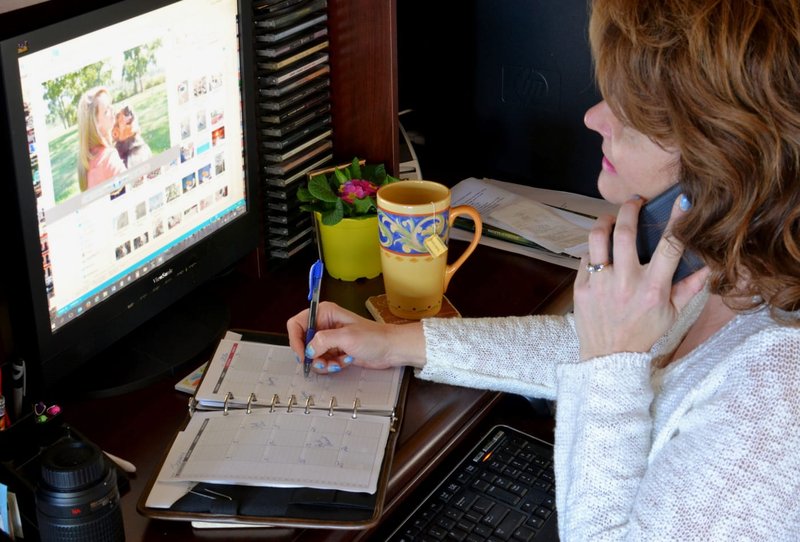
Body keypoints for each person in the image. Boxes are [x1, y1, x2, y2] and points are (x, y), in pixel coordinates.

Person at [287, 0, 800, 539]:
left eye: (629, 111)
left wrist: (613, 362)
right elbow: (582, 348)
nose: (594, 117)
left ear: (721, 151)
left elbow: (607, 364)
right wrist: (395, 342)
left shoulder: (777, 396)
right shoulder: (732, 271)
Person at [77, 86, 126, 191]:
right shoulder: (108, 158)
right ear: (96, 124)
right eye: (106, 110)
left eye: (110, 105)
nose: (113, 110)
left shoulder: (86, 163)